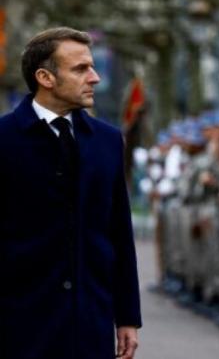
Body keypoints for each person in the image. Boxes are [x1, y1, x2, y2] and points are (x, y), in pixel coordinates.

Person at [0, 27, 141, 358]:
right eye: (80, 69)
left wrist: (127, 317)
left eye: (91, 67)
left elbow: (119, 233)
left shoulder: (107, 140)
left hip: (89, 323)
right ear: (45, 77)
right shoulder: (4, 140)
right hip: (19, 323)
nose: (94, 78)